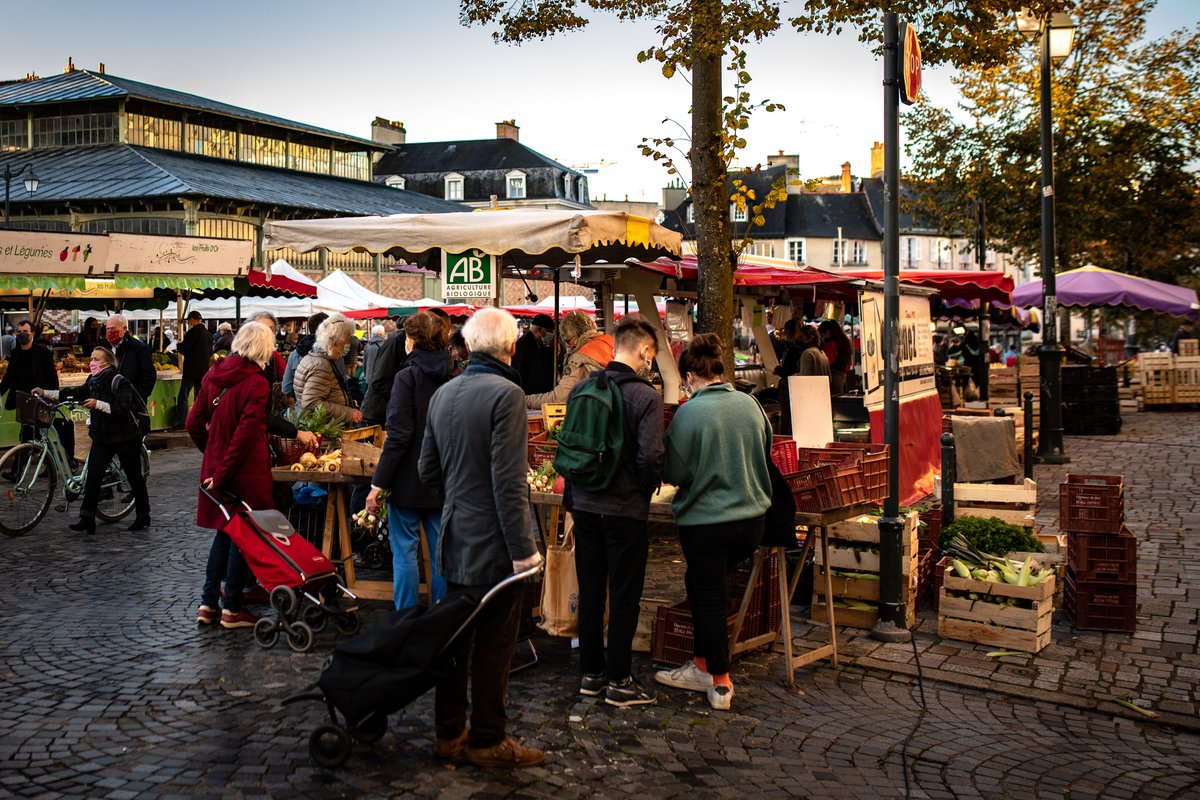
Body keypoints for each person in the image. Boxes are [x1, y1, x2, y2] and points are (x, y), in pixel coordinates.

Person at [418, 307, 544, 768]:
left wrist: (457, 498)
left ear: (468, 346)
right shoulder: (507, 395)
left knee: (455, 643)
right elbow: (509, 483)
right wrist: (524, 552)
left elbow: (428, 470)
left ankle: (449, 733)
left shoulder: (444, 393)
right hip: (494, 545)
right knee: (494, 647)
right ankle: (489, 739)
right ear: (511, 347)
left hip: (454, 539)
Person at [655, 334, 770, 712]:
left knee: (710, 596)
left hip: (707, 523)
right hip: (752, 521)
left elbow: (673, 471)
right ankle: (702, 662)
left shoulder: (689, 413)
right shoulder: (752, 405)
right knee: (703, 585)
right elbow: (764, 452)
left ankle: (718, 681)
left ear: (689, 376)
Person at [567, 316, 664, 708]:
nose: (649, 364)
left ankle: (590, 674)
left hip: (584, 504)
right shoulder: (646, 397)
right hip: (624, 508)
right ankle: (619, 679)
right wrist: (645, 488)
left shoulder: (582, 388)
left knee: (591, 591)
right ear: (643, 351)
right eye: (651, 357)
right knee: (625, 595)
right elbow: (651, 455)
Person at [187, 322, 276, 630]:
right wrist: (223, 472)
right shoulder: (257, 384)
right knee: (243, 537)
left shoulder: (214, 374)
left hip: (218, 467)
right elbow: (245, 437)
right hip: (244, 471)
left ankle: (208, 604)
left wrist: (210, 454)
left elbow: (192, 422)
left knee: (224, 535)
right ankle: (232, 607)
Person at [365, 313, 453, 610]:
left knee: (404, 551)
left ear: (411, 340)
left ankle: (406, 619)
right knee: (440, 552)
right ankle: (443, 616)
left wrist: (377, 484)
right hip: (443, 477)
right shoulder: (455, 374)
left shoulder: (408, 376)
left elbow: (399, 435)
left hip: (407, 479)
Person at [34, 347, 151, 534]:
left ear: (107, 362)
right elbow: (74, 393)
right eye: (92, 358)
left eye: (96, 359)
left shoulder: (119, 381)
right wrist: (46, 393)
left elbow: (121, 409)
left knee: (134, 476)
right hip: (102, 436)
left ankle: (143, 515)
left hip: (125, 436)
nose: (92, 362)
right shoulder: (92, 380)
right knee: (93, 477)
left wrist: (99, 404)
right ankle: (86, 518)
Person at [525, 311, 613, 409]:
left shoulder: (579, 358)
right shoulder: (610, 343)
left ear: (577, 336)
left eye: (567, 340)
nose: (567, 345)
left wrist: (526, 401)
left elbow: (559, 398)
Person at [293, 313, 362, 425]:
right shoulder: (321, 366)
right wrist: (349, 413)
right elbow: (311, 403)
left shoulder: (314, 358)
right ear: (335, 343)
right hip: (322, 431)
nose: (348, 343)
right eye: (347, 339)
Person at [1, 319, 59, 438]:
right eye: (19, 331)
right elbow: (9, 377)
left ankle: (42, 455)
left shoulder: (43, 353)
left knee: (40, 434)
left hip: (40, 400)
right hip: (23, 400)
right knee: (26, 433)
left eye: (25, 331)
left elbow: (52, 378)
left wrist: (52, 398)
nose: (22, 334)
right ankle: (25, 455)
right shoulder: (15, 352)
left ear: (32, 333)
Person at [105, 314, 156, 404]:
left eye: (113, 328)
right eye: (108, 329)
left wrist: (137, 397)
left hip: (132, 403)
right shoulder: (105, 347)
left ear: (124, 329)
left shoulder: (139, 348)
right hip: (110, 402)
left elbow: (149, 376)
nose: (110, 331)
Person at [175, 310, 213, 430]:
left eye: (189, 321)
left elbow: (185, 348)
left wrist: (178, 346)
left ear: (192, 320)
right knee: (201, 397)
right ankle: (201, 421)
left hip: (191, 370)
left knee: (183, 396)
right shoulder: (208, 334)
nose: (189, 323)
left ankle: (182, 422)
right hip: (204, 370)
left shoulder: (192, 332)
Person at [282, 312, 329, 398]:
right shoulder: (333, 354)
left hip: (300, 408)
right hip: (326, 409)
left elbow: (286, 389)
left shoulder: (294, 354)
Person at [512, 313, 555, 394]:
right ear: (540, 330)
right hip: (528, 395)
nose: (551, 335)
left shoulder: (538, 343)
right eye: (549, 331)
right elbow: (519, 372)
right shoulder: (524, 345)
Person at [772, 319, 801, 434]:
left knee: (787, 418)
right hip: (798, 388)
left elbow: (788, 371)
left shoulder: (793, 351)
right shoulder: (801, 349)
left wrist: (778, 369)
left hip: (789, 387)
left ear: (789, 332)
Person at [818, 320, 852, 395]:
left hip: (833, 376)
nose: (821, 338)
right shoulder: (844, 341)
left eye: (822, 335)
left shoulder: (831, 344)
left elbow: (826, 362)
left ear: (828, 332)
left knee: (834, 401)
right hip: (842, 375)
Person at [795, 324, 832, 392]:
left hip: (812, 392)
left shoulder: (808, 353)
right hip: (823, 392)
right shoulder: (822, 353)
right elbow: (829, 378)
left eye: (801, 336)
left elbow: (805, 378)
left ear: (810, 337)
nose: (799, 339)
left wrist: (793, 377)